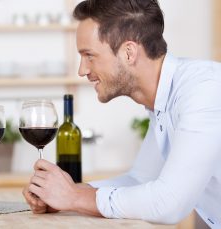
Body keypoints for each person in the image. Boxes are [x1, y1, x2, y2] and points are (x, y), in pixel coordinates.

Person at [23, 0, 221, 227]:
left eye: (89, 55)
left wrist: (75, 197)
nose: (82, 70)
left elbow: (169, 203)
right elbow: (140, 180)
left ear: (129, 52)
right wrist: (65, 195)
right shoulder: (166, 99)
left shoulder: (204, 90)